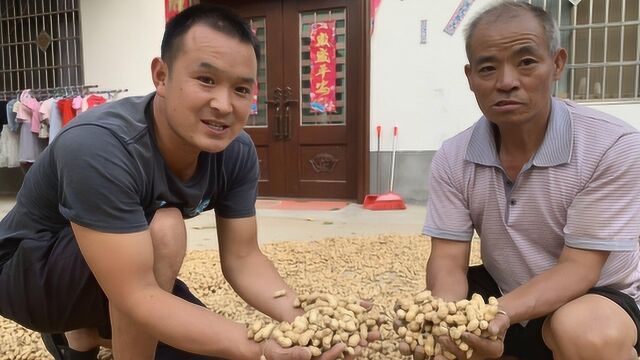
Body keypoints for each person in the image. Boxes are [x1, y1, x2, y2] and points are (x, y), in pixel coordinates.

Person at [0, 5, 358, 360]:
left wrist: (311, 322)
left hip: (122, 262)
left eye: (241, 89)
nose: (223, 104)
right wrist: (258, 347)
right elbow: (138, 293)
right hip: (28, 272)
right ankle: (78, 332)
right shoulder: (99, 144)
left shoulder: (236, 152)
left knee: (211, 349)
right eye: (206, 80)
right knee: (166, 227)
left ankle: (84, 333)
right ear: (161, 76)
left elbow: (244, 258)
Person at [419, 2, 640, 360]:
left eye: (526, 62)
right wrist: (450, 320)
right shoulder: (452, 157)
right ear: (470, 76)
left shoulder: (611, 145)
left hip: (593, 296)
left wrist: (496, 315)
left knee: (585, 332)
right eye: (488, 68)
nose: (506, 82)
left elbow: (580, 268)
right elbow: (447, 260)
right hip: (506, 290)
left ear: (556, 64)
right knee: (430, 336)